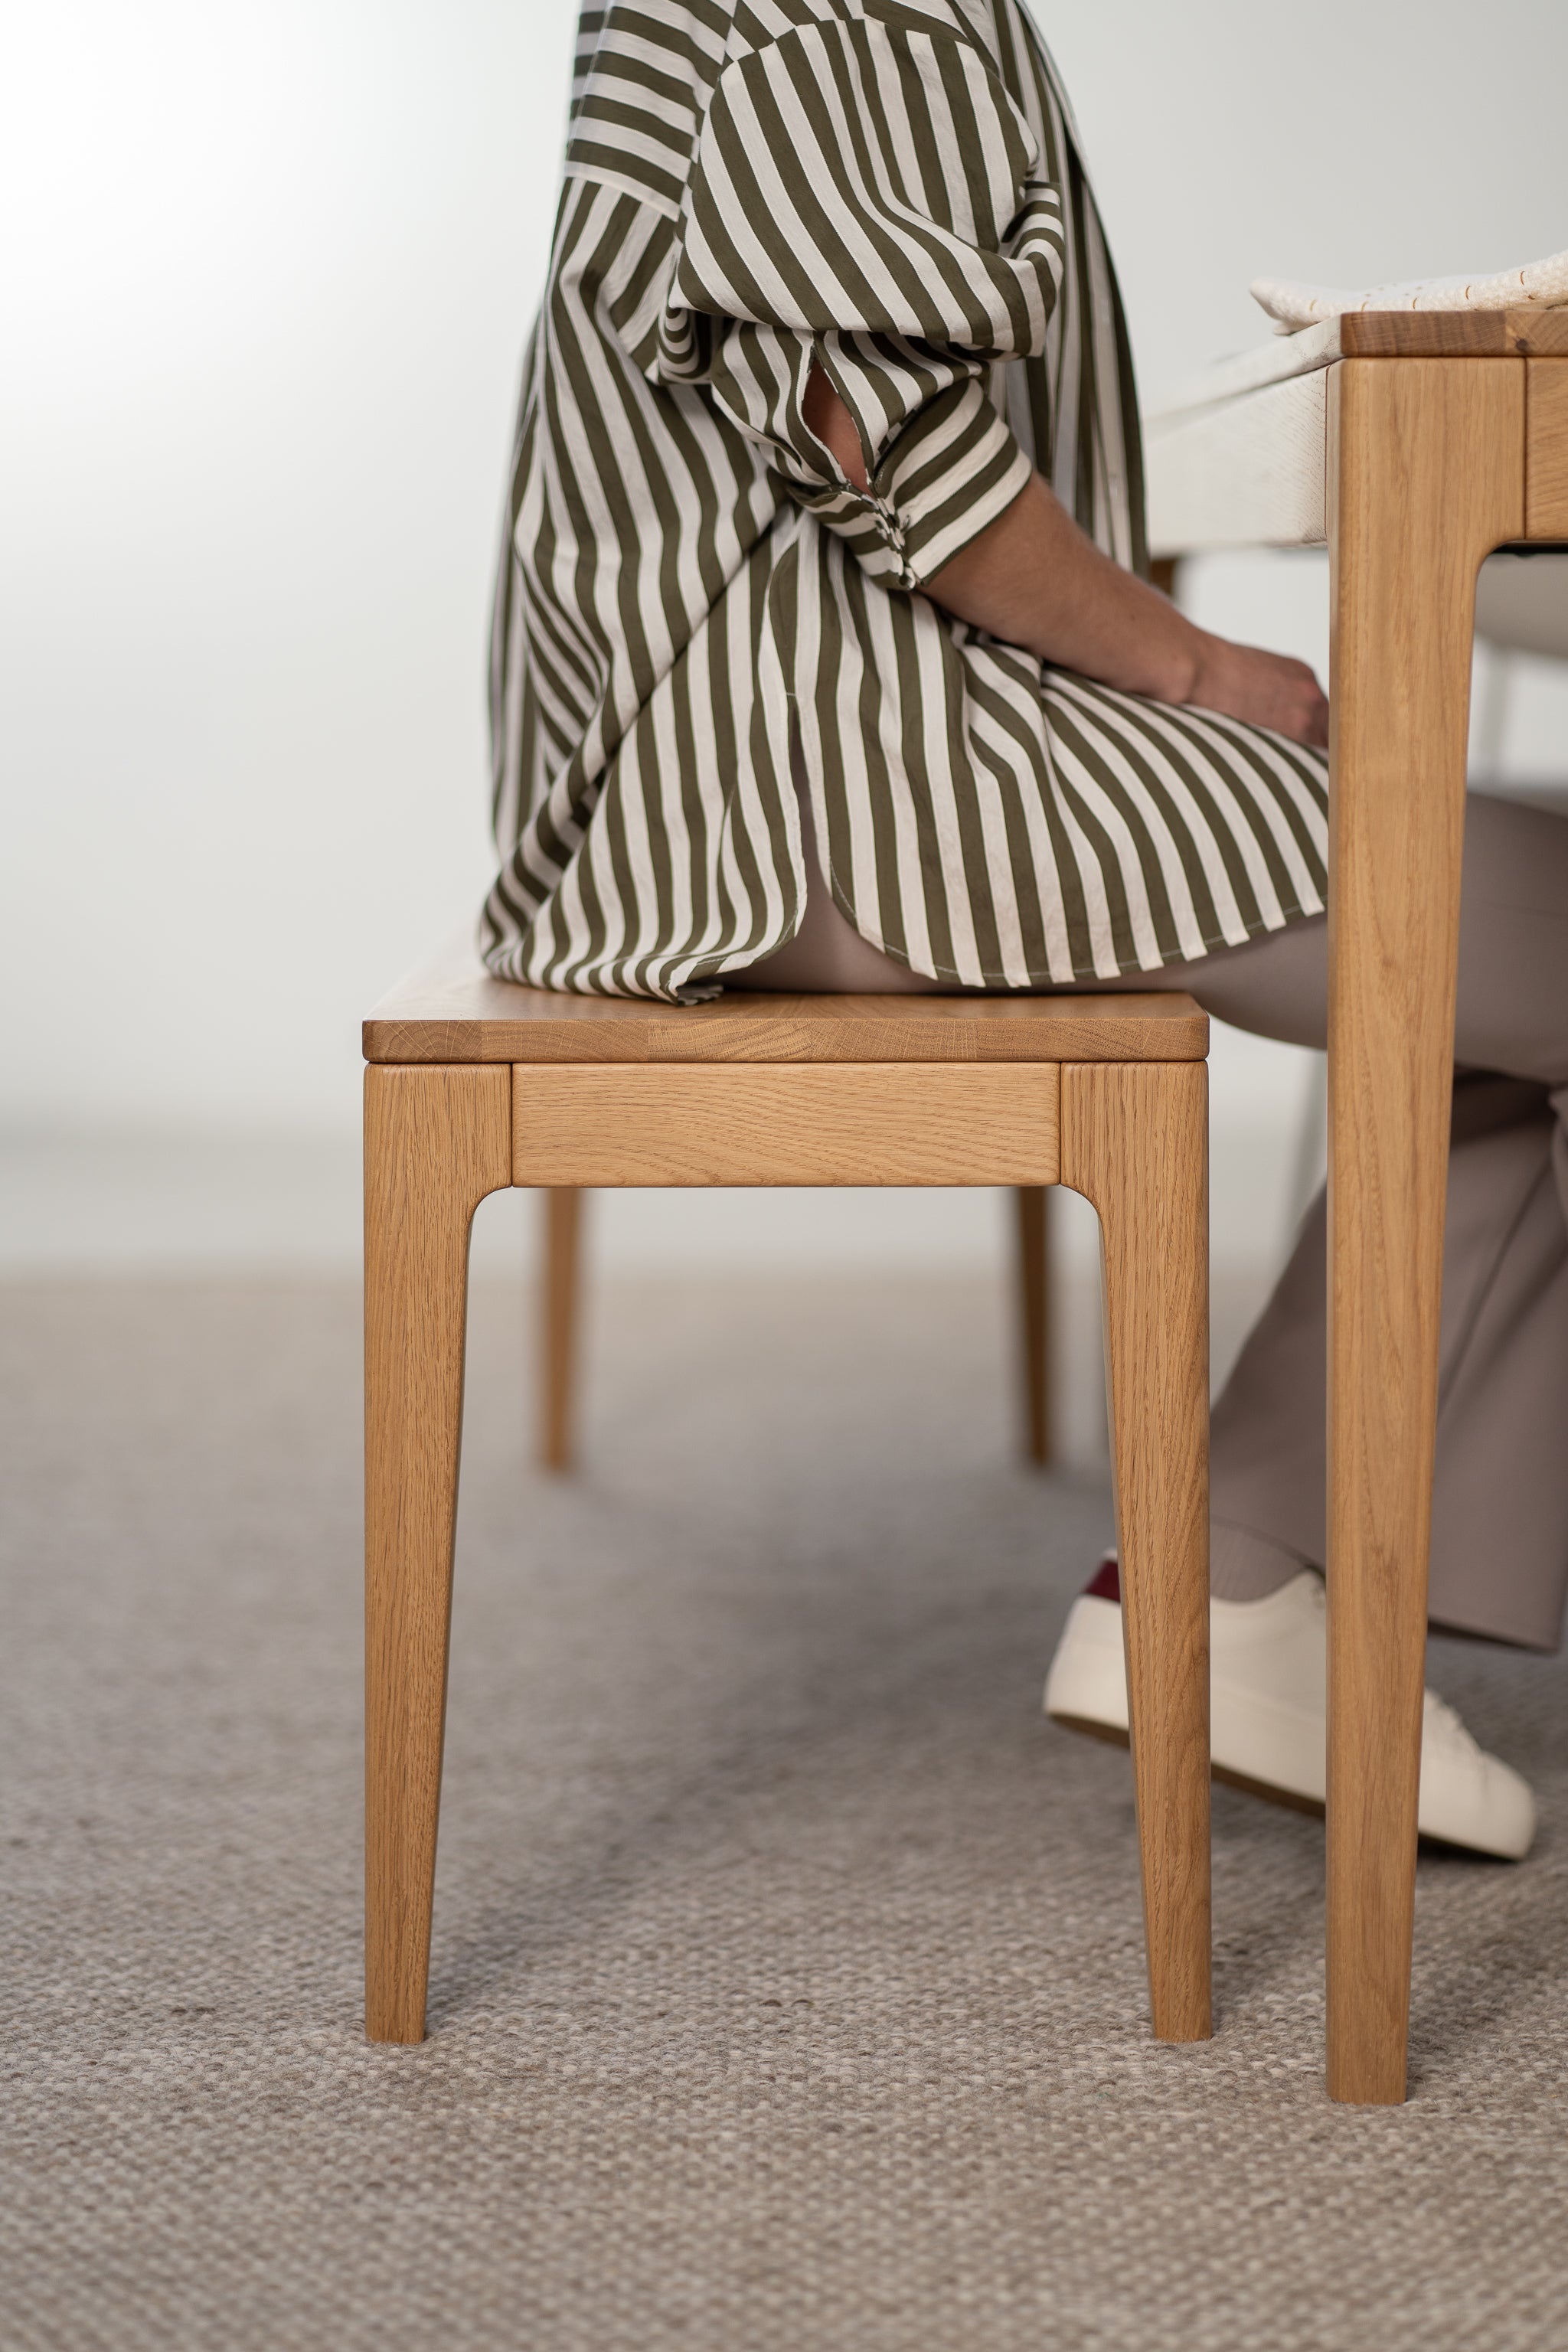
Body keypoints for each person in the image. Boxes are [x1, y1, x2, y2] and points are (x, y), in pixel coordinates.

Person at [485, 0, 1567, 1857]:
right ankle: (1231, 1593)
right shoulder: (832, 16)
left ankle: (1241, 1581)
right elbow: (879, 431)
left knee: (1493, 965)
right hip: (823, 788)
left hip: (760, 768)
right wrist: (1199, 667)